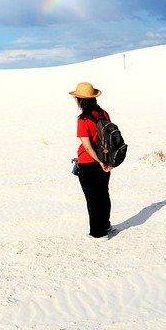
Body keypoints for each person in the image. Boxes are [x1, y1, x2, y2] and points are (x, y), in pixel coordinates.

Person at [69, 81, 114, 240]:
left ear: (80, 100)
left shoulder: (83, 119)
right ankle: (106, 225)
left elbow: (87, 147)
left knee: (92, 199)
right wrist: (104, 161)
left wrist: (98, 161)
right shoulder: (104, 114)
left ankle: (98, 233)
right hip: (105, 158)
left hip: (89, 164)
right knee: (103, 194)